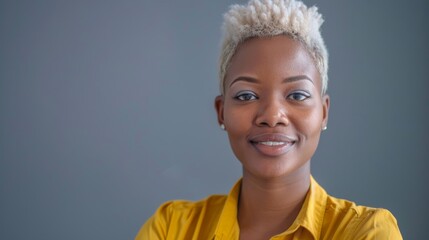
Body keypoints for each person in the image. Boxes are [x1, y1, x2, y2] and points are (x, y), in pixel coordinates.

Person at [135, 0, 402, 239]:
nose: (272, 116)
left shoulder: (366, 232)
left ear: (323, 112)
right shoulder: (172, 228)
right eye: (246, 95)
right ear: (221, 112)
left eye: (297, 94)